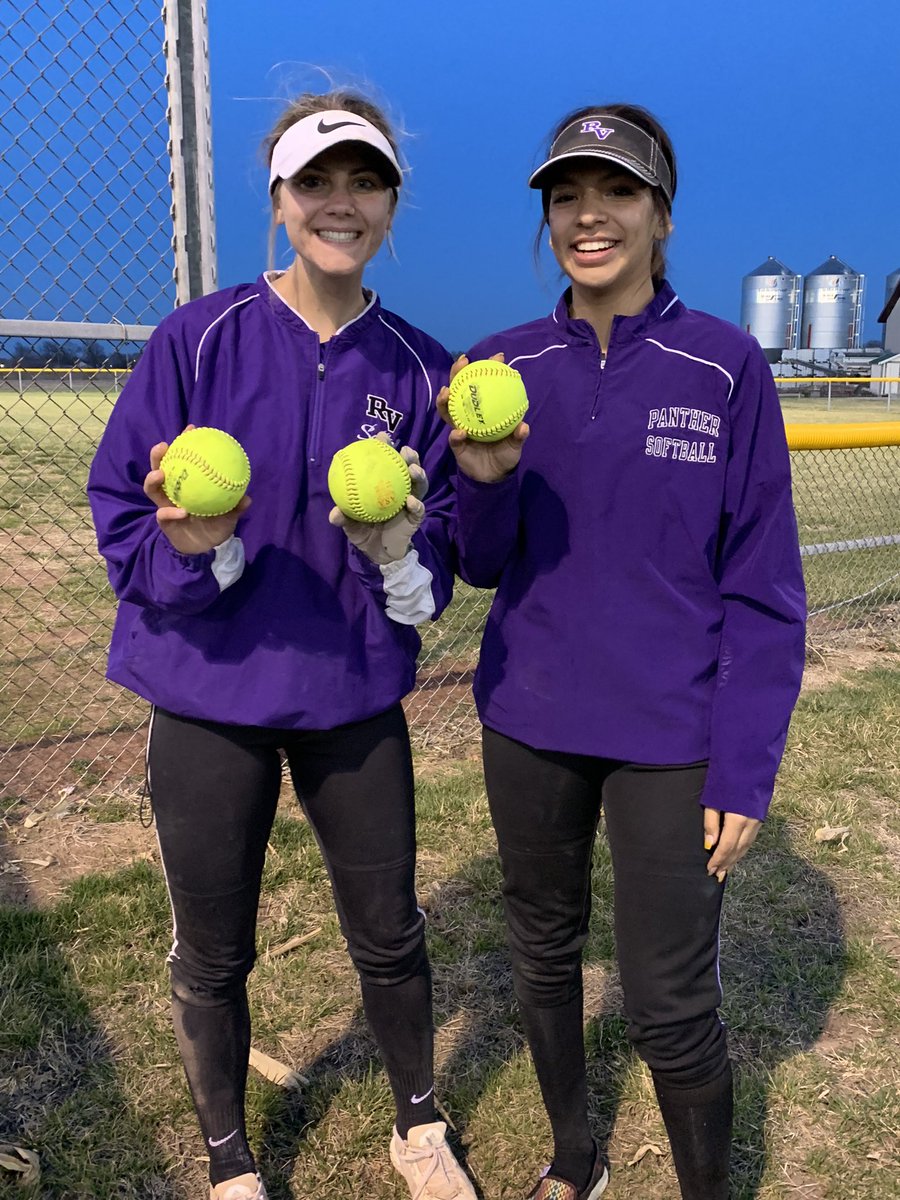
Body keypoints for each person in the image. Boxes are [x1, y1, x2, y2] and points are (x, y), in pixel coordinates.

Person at [88, 90, 477, 1200]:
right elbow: (122, 521)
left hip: (352, 696)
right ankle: (230, 1163)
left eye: (364, 182)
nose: (339, 204)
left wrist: (397, 551)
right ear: (277, 200)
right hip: (208, 694)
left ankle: (417, 1124)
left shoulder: (418, 368)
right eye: (316, 182)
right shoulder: (198, 340)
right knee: (214, 949)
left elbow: (433, 582)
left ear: (391, 206)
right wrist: (201, 548)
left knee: (389, 928)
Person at [440, 104, 806, 1200]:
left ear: (662, 216)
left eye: (616, 193)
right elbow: (480, 564)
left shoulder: (724, 366)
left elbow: (765, 589)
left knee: (668, 1002)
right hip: (531, 717)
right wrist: (483, 481)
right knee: (543, 954)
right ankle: (575, 1158)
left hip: (671, 733)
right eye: (566, 196)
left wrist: (743, 766)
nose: (588, 216)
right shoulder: (499, 365)